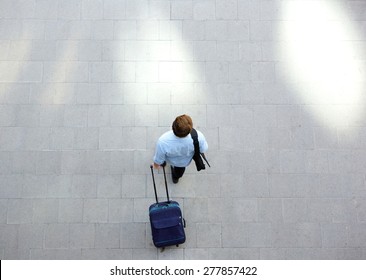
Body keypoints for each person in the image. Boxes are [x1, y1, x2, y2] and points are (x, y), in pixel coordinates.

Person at [153, 114, 208, 183]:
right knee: (179, 172)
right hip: (182, 163)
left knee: (164, 160)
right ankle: (175, 178)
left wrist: (156, 165)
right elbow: (203, 149)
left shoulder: (163, 141)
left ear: (173, 126)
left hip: (170, 159)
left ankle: (165, 164)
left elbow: (158, 159)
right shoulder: (199, 136)